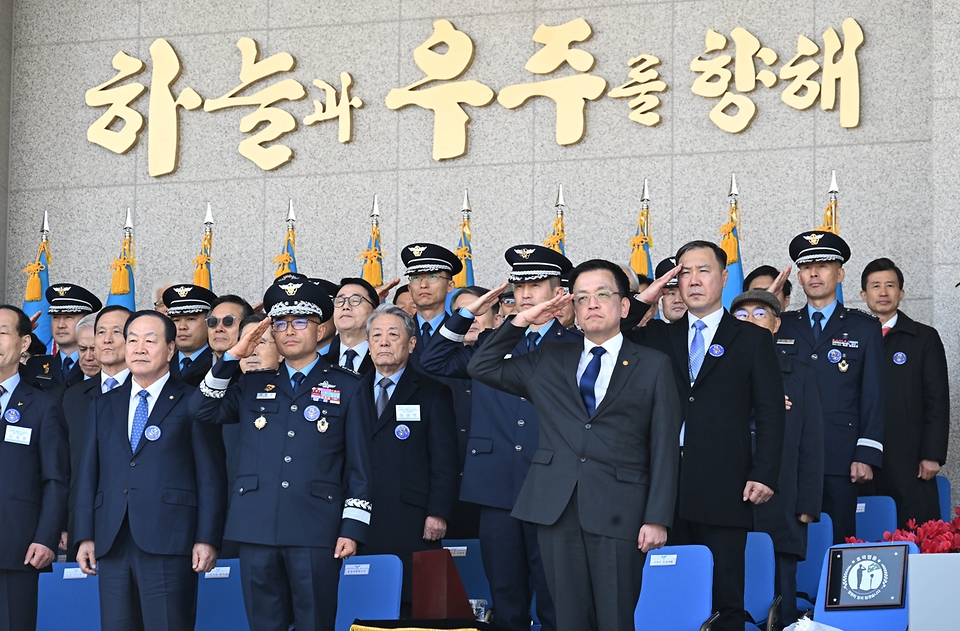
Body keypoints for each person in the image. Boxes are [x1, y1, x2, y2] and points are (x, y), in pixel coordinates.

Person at [468, 259, 681, 631]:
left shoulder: (653, 364)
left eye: (603, 294)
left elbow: (665, 446)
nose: (593, 304)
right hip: (555, 508)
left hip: (620, 510)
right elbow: (481, 367)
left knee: (615, 616)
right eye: (582, 298)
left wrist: (657, 517)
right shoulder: (550, 358)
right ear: (573, 309)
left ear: (624, 306)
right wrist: (522, 319)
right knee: (567, 618)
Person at [189, 278, 373, 631]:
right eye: (280, 323)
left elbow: (360, 465)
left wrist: (351, 528)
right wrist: (231, 358)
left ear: (321, 329)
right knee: (264, 624)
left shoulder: (347, 386)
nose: (289, 331)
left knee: (314, 623)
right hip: (256, 526)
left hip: (316, 528)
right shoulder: (253, 384)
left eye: (301, 322)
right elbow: (201, 411)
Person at [625, 241, 785, 631]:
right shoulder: (658, 337)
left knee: (725, 595)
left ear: (724, 278)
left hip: (726, 484)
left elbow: (769, 412)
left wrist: (764, 472)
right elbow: (615, 329)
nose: (693, 280)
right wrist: (646, 297)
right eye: (684, 273)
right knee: (668, 592)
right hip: (664, 487)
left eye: (703, 271)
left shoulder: (751, 339)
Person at [422, 244, 581, 631]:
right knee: (506, 598)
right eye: (519, 286)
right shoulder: (494, 342)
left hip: (552, 488)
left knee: (555, 598)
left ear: (559, 291)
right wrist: (467, 314)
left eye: (537, 284)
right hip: (497, 486)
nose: (525, 294)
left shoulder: (578, 344)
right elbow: (433, 361)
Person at [74, 310, 227, 631]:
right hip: (112, 539)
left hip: (171, 540)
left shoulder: (193, 402)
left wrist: (207, 538)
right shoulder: (104, 403)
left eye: (150, 340)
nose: (139, 348)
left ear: (170, 349)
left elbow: (211, 475)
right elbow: (89, 473)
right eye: (132, 340)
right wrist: (85, 534)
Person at [775, 231, 884, 544]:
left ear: (840, 273)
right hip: (790, 455)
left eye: (823, 265)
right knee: (789, 543)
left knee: (838, 543)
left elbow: (873, 395)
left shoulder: (864, 327)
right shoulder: (783, 323)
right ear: (798, 275)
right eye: (807, 267)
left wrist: (866, 453)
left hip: (840, 455)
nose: (814, 273)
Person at [732, 290, 824, 627]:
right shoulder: (721, 373)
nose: (751, 321)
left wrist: (808, 503)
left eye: (759, 314)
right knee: (734, 586)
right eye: (741, 316)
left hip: (784, 498)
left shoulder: (799, 374)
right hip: (734, 496)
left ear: (775, 323)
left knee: (781, 587)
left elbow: (812, 441)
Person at [361, 304, 459, 611]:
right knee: (365, 599)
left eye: (393, 334)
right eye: (376, 335)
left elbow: (445, 460)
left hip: (412, 518)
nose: (384, 342)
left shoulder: (432, 392)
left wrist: (439, 511)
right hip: (360, 517)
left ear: (412, 343)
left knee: (411, 603)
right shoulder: (351, 390)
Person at [860, 258, 949, 527]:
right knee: (865, 531)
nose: (883, 292)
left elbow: (937, 399)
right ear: (864, 295)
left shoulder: (923, 338)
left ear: (901, 293)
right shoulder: (850, 337)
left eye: (890, 285)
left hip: (909, 456)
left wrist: (932, 454)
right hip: (861, 455)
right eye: (876, 286)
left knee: (913, 528)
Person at [0, 305, 70, 631]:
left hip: (17, 549)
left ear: (24, 343)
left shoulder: (43, 406)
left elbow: (55, 479)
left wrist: (46, 537)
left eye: (1, 332)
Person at [61, 305, 132, 561]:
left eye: (117, 332)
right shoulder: (73, 397)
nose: (107, 339)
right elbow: (64, 466)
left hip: (137, 527)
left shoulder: (149, 393)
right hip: (82, 526)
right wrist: (64, 523)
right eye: (101, 332)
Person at [25, 283, 102, 391]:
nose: (60, 325)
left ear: (86, 321)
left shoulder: (97, 363)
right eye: (55, 317)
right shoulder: (35, 365)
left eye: (69, 317)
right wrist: (20, 334)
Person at [163, 284, 217, 387]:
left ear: (209, 322)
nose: (182, 327)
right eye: (176, 320)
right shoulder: (162, 362)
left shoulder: (218, 363)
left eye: (191, 319)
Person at [324, 278, 380, 374]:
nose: (345, 306)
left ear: (374, 312)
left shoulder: (386, 360)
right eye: (339, 301)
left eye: (355, 300)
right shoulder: (320, 363)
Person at [207, 294, 254, 365]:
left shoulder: (255, 369)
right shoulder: (194, 373)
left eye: (228, 321)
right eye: (213, 322)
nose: (218, 329)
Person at [656, 257, 687, 323]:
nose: (677, 300)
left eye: (683, 293)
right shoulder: (652, 332)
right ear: (662, 301)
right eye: (671, 293)